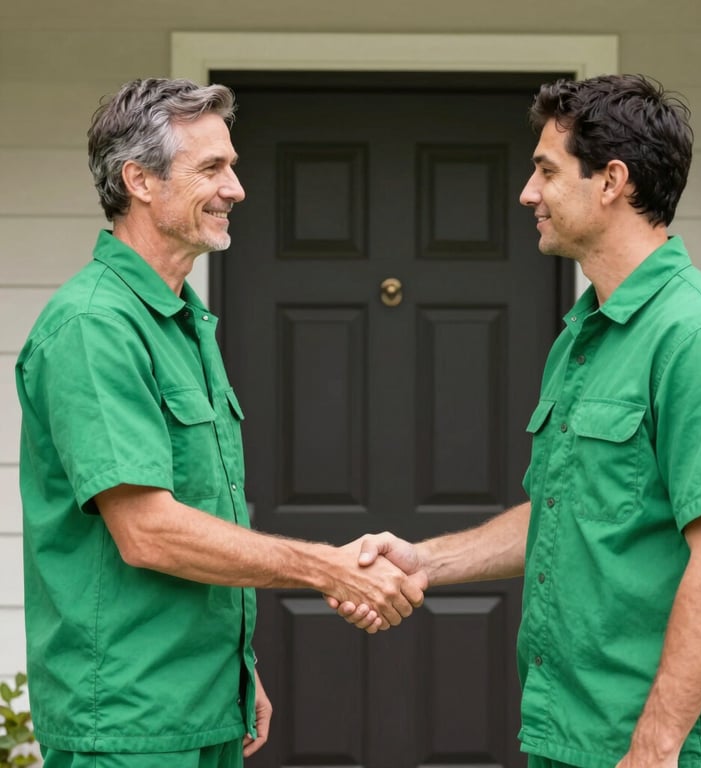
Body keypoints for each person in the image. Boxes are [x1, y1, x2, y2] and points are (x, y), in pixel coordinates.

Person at [332, 74, 701, 768]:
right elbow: (564, 516)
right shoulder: (584, 334)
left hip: (656, 751)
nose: (527, 194)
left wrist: (653, 750)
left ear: (611, 181)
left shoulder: (700, 336)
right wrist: (427, 562)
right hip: (564, 734)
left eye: (545, 171)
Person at [15, 78, 425, 768]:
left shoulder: (181, 323)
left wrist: (238, 671)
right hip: (126, 721)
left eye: (231, 166)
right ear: (139, 180)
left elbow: (202, 516)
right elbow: (148, 532)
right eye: (213, 168)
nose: (235, 187)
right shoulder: (94, 326)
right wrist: (329, 569)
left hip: (202, 704)